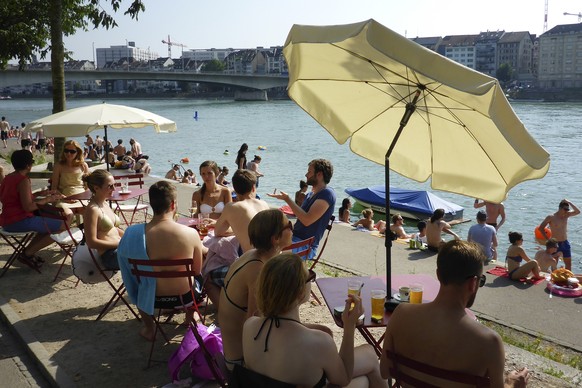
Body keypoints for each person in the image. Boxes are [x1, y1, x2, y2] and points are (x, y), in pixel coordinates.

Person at [380, 240, 530, 388]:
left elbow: (384, 371)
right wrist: (512, 384)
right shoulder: (489, 341)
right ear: (473, 283)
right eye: (481, 281)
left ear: (439, 275)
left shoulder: (401, 314)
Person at [240, 253, 386, 388]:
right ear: (300, 291)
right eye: (309, 277)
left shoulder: (250, 326)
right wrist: (349, 326)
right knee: (365, 377)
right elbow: (344, 379)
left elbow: (283, 333)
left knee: (369, 353)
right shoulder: (319, 343)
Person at [117, 181, 204, 341]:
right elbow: (197, 271)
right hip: (183, 297)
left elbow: (127, 270)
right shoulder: (190, 234)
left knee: (143, 281)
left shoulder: (132, 233)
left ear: (151, 204)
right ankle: (190, 317)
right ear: (173, 204)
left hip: (150, 298)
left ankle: (149, 328)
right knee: (201, 277)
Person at [218, 209, 293, 371]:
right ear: (275, 239)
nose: (293, 229)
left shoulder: (254, 255)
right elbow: (254, 322)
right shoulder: (258, 269)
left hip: (236, 348)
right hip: (240, 362)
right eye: (289, 225)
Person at [204, 170, 270, 308]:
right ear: (253, 187)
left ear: (235, 189)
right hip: (271, 266)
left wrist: (234, 226)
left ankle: (226, 312)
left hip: (252, 270)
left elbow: (218, 232)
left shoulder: (232, 207)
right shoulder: (264, 204)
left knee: (209, 278)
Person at [0, 150, 67, 268]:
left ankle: (28, 252)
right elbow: (28, 207)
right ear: (28, 165)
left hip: (7, 220)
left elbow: (14, 199)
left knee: (48, 226)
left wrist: (42, 193)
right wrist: (48, 200)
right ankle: (27, 253)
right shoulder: (23, 180)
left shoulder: (8, 178)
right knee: (63, 226)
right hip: (19, 221)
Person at [268, 159, 336, 259]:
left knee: (270, 254)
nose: (306, 175)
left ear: (319, 174)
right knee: (262, 242)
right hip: (294, 238)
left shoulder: (327, 194)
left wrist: (287, 199)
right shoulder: (310, 194)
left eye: (309, 172)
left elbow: (307, 220)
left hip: (306, 245)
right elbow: (301, 217)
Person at [82, 170, 123, 270]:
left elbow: (113, 229)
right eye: (110, 186)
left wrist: (131, 237)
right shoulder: (92, 210)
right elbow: (91, 242)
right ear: (96, 188)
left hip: (119, 249)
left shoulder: (104, 203)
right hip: (110, 255)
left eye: (114, 185)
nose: (114, 189)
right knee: (145, 257)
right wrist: (120, 243)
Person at [538, 199, 580, 271]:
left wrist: (569, 202)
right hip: (555, 244)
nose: (566, 211)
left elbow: (578, 212)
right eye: (565, 209)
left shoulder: (567, 215)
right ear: (560, 208)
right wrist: (548, 240)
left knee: (568, 265)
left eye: (567, 209)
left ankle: (567, 279)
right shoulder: (551, 217)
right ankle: (554, 279)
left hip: (565, 242)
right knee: (554, 264)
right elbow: (541, 228)